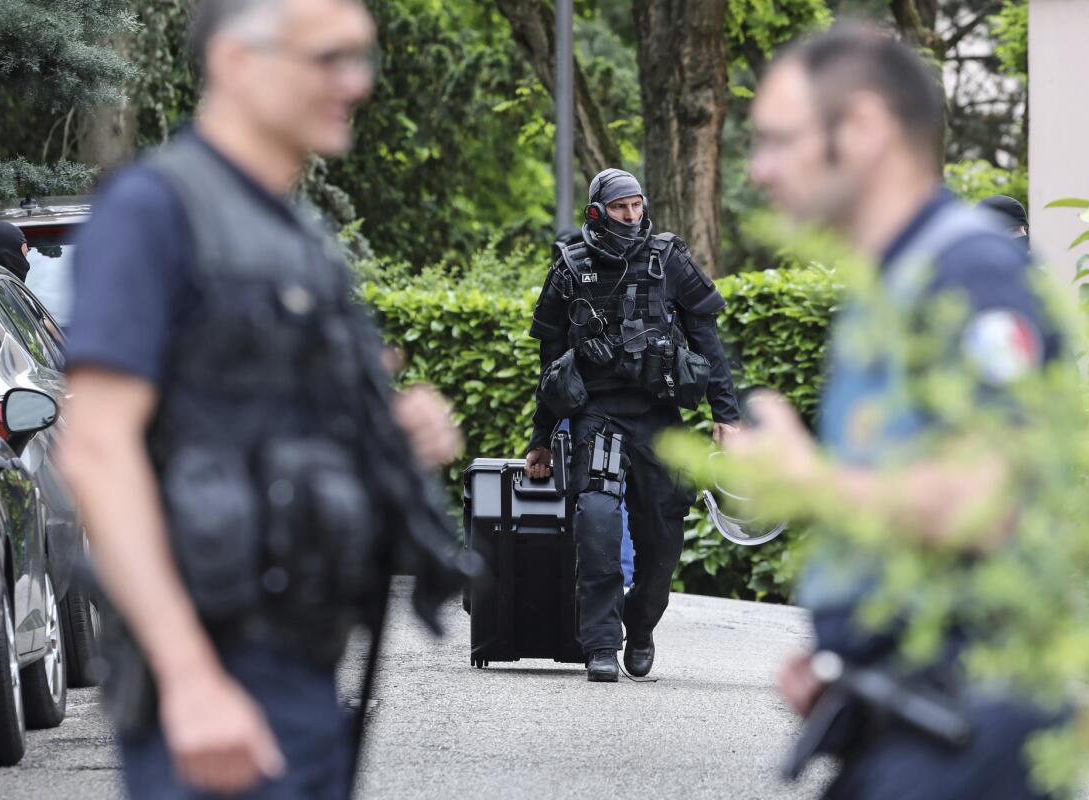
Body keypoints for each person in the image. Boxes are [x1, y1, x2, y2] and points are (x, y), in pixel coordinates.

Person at [58, 0, 462, 797]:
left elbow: (259, 432)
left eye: (362, 58)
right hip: (215, 679)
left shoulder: (298, 236)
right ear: (238, 63)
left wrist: (384, 433)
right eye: (330, 58)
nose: (356, 82)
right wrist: (190, 680)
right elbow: (97, 448)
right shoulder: (153, 211)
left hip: (305, 675)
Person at [742, 25, 1063, 799]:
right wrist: (850, 657)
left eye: (778, 140)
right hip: (905, 722)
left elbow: (985, 501)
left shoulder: (973, 272)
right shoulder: (893, 283)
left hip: (967, 735)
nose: (758, 171)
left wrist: (805, 480)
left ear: (861, 130)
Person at [526, 168, 740, 682]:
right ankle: (600, 644)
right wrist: (541, 440)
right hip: (596, 415)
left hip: (660, 416)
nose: (630, 214)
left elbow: (707, 340)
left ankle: (640, 625)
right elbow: (551, 363)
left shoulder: (669, 259)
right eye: (620, 206)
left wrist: (727, 415)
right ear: (598, 210)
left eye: (637, 205)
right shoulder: (570, 266)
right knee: (597, 521)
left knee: (663, 537)